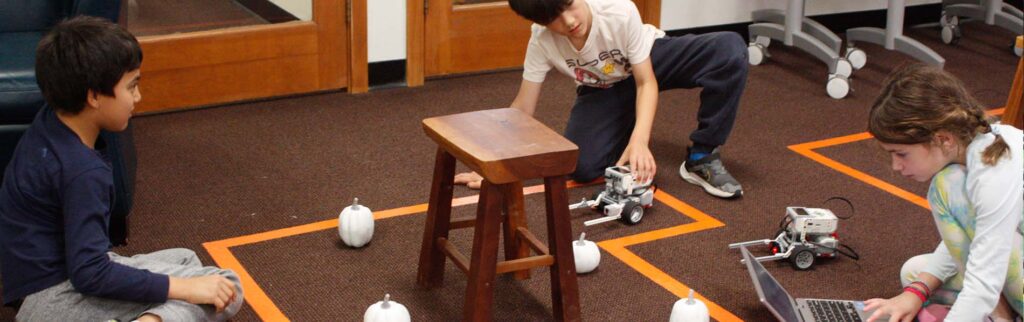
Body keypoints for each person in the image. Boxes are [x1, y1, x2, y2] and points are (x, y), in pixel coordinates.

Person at [0, 16, 244, 322]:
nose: (138, 97)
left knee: (190, 263)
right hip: (56, 298)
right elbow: (90, 273)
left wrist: (184, 286)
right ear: (93, 96)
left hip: (36, 286)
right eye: (132, 86)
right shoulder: (82, 171)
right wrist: (182, 288)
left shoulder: (51, 120)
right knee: (228, 284)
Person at [454, 0, 748, 198]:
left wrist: (640, 141)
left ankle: (702, 156)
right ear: (539, 22)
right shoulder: (541, 41)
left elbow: (646, 83)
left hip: (650, 58)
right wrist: (496, 166)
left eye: (568, 4)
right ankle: (621, 128)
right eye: (552, 18)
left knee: (729, 50)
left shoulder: (618, 11)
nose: (568, 21)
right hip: (603, 87)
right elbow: (522, 109)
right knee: (582, 167)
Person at [863, 63, 1023, 322]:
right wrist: (916, 291)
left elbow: (984, 283)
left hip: (999, 274)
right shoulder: (978, 150)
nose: (896, 166)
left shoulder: (992, 172)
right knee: (915, 273)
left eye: (901, 154)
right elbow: (977, 237)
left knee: (945, 187)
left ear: (944, 139)